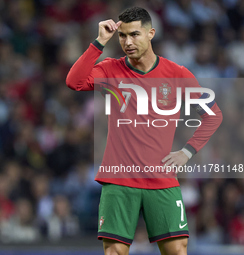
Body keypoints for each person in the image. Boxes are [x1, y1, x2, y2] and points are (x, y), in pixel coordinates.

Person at [66, 7, 223, 255]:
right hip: (119, 177)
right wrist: (99, 42)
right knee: (114, 252)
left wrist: (187, 152)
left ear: (151, 33)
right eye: (123, 36)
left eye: (135, 34)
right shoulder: (110, 70)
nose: (128, 42)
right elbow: (74, 81)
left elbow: (213, 116)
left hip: (161, 177)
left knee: (177, 251)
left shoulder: (177, 74)